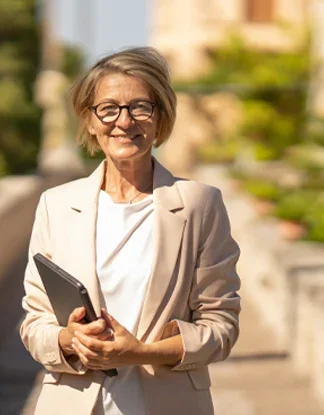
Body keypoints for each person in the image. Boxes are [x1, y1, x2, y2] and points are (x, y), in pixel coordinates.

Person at [19, 46, 242, 415]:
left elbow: (221, 327)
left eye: (140, 107)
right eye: (108, 108)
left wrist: (140, 352)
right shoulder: (55, 206)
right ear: (89, 120)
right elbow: (34, 324)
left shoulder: (200, 204)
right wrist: (69, 339)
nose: (124, 121)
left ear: (160, 117)